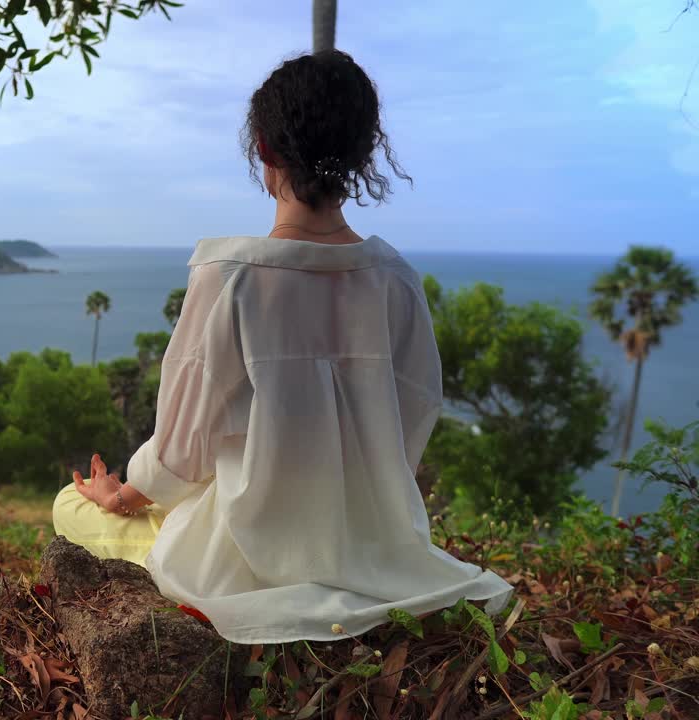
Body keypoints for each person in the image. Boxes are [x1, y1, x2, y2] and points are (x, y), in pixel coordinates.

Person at [52, 50, 513, 644]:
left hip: (239, 553)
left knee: (72, 503)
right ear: (361, 153)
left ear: (265, 152)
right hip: (372, 541)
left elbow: (182, 451)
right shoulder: (395, 280)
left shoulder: (230, 277)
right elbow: (413, 416)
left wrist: (119, 496)